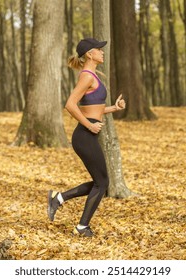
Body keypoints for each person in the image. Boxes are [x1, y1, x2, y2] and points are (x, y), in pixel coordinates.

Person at [47, 38, 126, 237]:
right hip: (84, 136)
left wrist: (114, 108)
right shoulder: (86, 76)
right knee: (102, 183)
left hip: (87, 135)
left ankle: (59, 198)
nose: (103, 52)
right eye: (99, 50)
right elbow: (70, 104)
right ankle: (82, 227)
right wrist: (89, 125)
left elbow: (94, 109)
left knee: (101, 182)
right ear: (90, 54)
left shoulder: (93, 75)